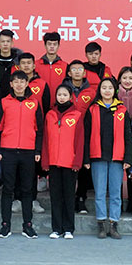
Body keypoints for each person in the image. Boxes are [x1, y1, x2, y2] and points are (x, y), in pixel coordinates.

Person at [0, 71, 44, 239]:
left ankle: (27, 225)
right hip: (7, 150)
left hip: (28, 151)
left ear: (27, 83)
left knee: (27, 189)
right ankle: (5, 225)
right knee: (8, 188)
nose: (19, 85)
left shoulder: (34, 103)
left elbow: (39, 129)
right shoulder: (4, 102)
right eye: (16, 82)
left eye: (22, 81)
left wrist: (38, 150)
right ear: (11, 84)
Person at [83, 78, 132, 240]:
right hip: (97, 156)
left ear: (114, 90)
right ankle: (101, 223)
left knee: (115, 193)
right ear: (100, 90)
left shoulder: (122, 110)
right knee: (99, 192)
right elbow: (86, 135)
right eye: (104, 87)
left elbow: (128, 136)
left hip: (117, 157)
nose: (107, 90)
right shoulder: (93, 109)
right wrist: (86, 158)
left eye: (110, 88)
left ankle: (113, 224)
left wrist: (128, 158)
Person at [42, 85, 83, 239]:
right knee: (55, 196)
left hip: (70, 163)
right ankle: (56, 228)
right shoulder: (50, 114)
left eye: (65, 95)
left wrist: (77, 161)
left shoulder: (77, 115)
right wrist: (45, 161)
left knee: (69, 196)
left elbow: (80, 140)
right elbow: (45, 140)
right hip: (53, 162)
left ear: (70, 97)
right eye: (59, 94)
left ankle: (68, 229)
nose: (62, 97)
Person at [16, 52, 51, 212]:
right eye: (23, 63)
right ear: (19, 66)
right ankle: (17, 199)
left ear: (34, 65)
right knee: (17, 170)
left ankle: (33, 200)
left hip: (35, 133)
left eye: (29, 63)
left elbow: (46, 108)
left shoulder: (42, 84)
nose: (26, 65)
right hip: (16, 134)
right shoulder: (14, 83)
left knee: (33, 169)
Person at [62, 60, 96, 213]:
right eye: (73, 69)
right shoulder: (63, 90)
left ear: (84, 73)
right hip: (66, 133)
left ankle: (81, 197)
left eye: (80, 69)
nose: (77, 72)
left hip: (85, 133)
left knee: (83, 166)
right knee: (68, 166)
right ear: (69, 73)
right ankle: (68, 198)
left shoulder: (91, 92)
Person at [116, 67, 132, 214]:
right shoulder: (114, 95)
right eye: (124, 78)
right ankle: (117, 204)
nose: (127, 81)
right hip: (117, 138)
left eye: (130, 78)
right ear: (119, 79)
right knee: (117, 172)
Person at [0, 29, 22, 102]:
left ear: (12, 43)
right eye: (3, 41)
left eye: (8, 41)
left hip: (14, 101)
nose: (5, 44)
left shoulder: (19, 63)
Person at [36, 32, 67, 108]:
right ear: (45, 45)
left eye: (55, 44)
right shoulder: (36, 65)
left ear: (58, 45)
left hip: (59, 105)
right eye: (49, 44)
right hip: (40, 105)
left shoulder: (65, 66)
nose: (52, 46)